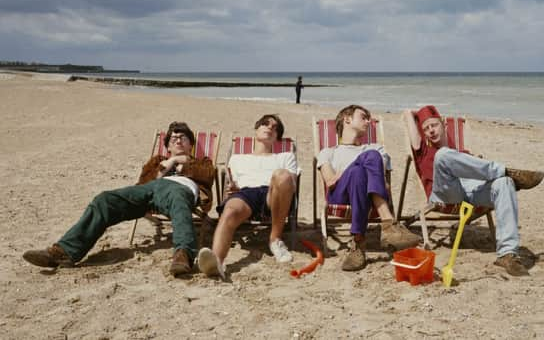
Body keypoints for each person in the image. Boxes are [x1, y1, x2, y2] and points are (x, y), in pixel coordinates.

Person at [22, 122, 215, 277]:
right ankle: (64, 251)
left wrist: (177, 162)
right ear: (167, 146)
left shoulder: (202, 162)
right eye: (173, 139)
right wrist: (164, 166)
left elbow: (207, 176)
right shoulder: (156, 161)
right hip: (148, 191)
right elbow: (143, 182)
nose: (178, 140)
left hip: (180, 190)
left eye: (183, 138)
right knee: (104, 199)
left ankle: (183, 254)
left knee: (178, 200)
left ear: (191, 144)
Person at [402, 105, 544, 276]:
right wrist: (410, 113)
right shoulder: (423, 151)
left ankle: (507, 254)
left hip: (469, 194)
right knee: (442, 155)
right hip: (444, 196)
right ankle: (505, 170)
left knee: (505, 183)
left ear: (443, 125)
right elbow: (411, 126)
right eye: (426, 129)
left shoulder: (463, 154)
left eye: (434, 125)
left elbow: (476, 181)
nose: (430, 131)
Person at [317, 105, 421, 271]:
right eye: (363, 117)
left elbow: (384, 183)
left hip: (368, 195)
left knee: (360, 171)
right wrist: (352, 167)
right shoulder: (328, 152)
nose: (368, 121)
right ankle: (388, 223)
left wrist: (358, 169)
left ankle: (358, 242)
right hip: (340, 195)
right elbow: (330, 181)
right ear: (347, 119)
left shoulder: (376, 148)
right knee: (364, 162)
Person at [197, 114, 297, 279]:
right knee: (230, 210)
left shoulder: (285, 156)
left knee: (282, 175)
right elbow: (233, 185)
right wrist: (232, 188)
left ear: (278, 137)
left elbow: (291, 184)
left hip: (273, 194)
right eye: (265, 124)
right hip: (245, 193)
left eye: (275, 127)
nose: (270, 128)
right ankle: (217, 262)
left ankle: (275, 240)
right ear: (256, 130)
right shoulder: (237, 159)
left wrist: (280, 180)